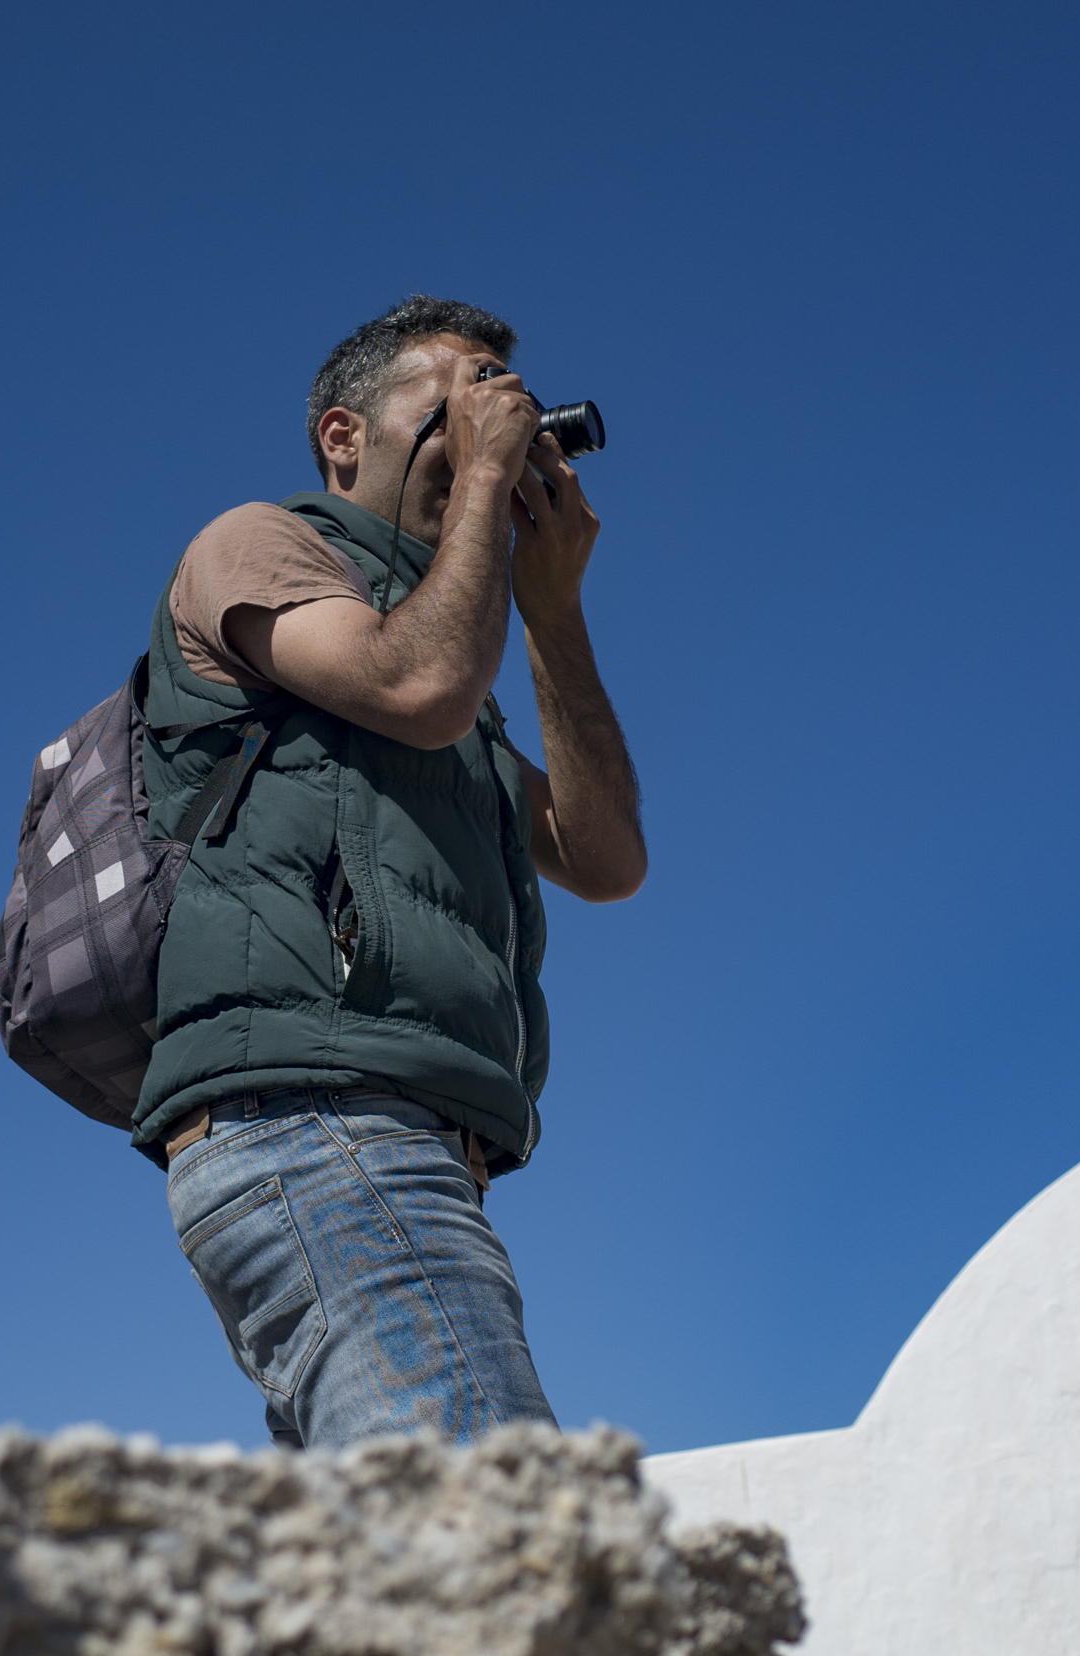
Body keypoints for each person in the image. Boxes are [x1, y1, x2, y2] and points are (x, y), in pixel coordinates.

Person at [131, 296, 646, 1449]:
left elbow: (607, 858)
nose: (496, 421)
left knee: (404, 1580)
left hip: (404, 1149)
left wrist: (550, 608)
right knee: (505, 1572)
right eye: (459, 397)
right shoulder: (255, 544)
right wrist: (481, 493)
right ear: (342, 437)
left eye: (505, 399)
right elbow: (412, 689)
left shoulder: (449, 658)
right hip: (324, 1127)